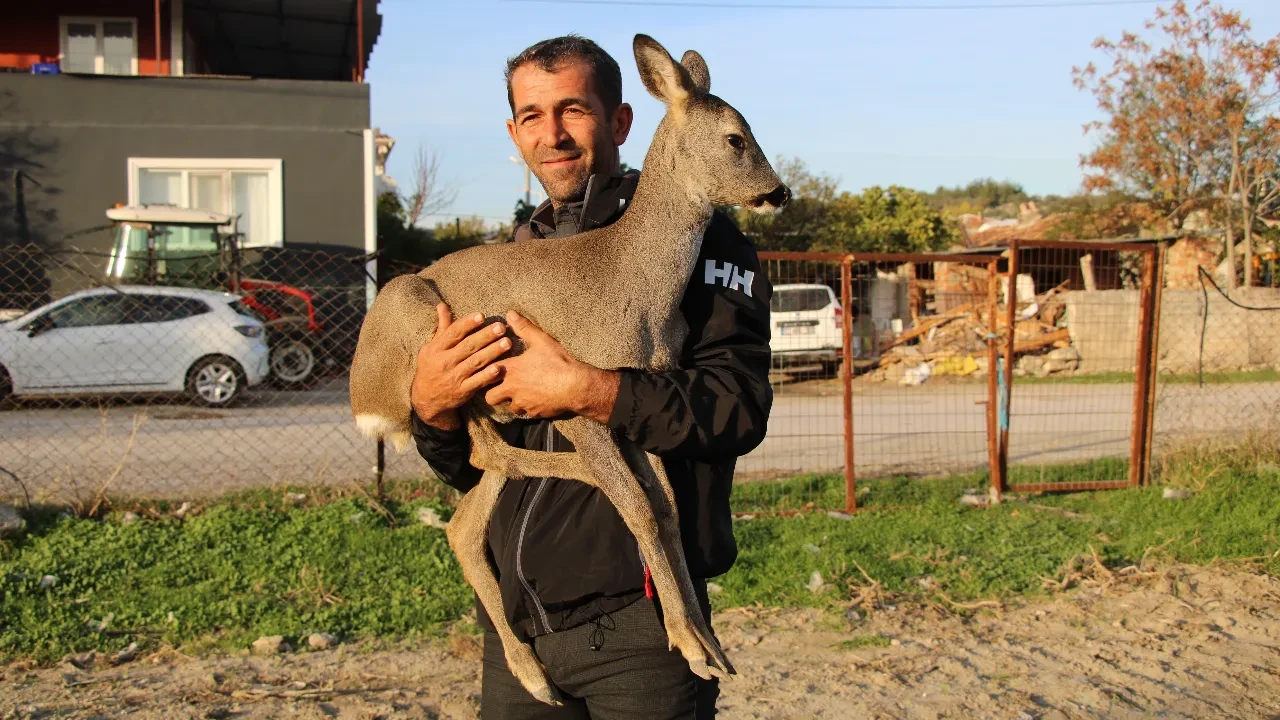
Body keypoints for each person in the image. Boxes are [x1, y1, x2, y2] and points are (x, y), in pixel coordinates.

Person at [408, 34, 773, 719]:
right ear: (514, 132)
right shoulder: (514, 255)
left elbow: (737, 408)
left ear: (622, 121)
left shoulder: (698, 243)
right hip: (520, 629)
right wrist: (432, 409)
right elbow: (476, 466)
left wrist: (590, 390)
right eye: (532, 116)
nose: (553, 135)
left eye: (573, 110)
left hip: (638, 628)